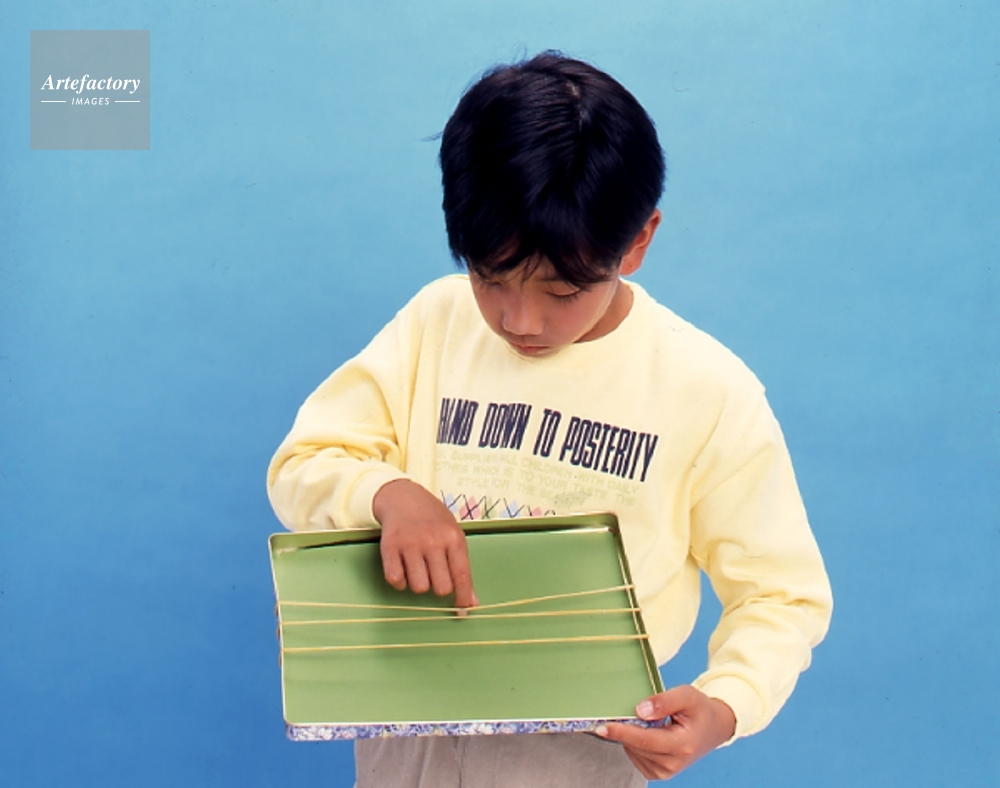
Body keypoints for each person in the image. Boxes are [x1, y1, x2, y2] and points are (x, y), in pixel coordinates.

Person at [267, 51, 832, 786]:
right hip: (410, 729)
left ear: (638, 242)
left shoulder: (708, 390)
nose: (519, 320)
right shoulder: (435, 324)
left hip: (586, 746)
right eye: (489, 279)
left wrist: (727, 704)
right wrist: (387, 493)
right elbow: (305, 462)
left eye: (561, 291)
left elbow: (781, 594)